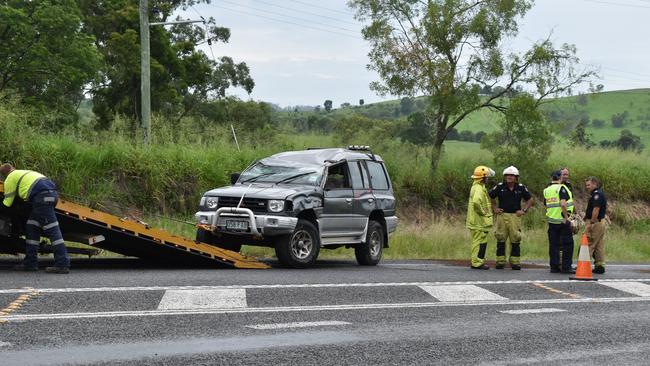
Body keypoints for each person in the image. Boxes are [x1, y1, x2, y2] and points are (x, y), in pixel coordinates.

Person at [0, 163, 70, 273]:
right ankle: (30, 263)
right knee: (31, 228)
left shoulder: (10, 178)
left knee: (53, 231)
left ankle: (62, 264)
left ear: (4, 175)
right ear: (13, 167)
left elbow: (7, 204)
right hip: (51, 195)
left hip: (41, 198)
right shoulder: (25, 172)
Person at [489, 166, 533, 270]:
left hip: (515, 216)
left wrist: (524, 210)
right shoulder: (500, 187)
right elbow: (490, 196)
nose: (509, 177)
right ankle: (500, 262)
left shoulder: (521, 188)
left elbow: (530, 199)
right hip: (502, 216)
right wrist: (494, 208)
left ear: (516, 177)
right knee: (500, 238)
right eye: (507, 175)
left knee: (516, 238)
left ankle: (515, 262)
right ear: (504, 177)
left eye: (512, 175)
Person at [543, 170, 575, 274]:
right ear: (559, 177)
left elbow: (546, 204)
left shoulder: (547, 190)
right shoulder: (562, 188)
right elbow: (562, 204)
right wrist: (567, 217)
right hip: (563, 221)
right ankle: (566, 267)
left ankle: (554, 266)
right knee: (567, 244)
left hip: (552, 221)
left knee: (554, 245)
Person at [466, 165, 495, 270]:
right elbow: (476, 202)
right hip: (478, 222)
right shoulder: (478, 188)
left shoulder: (478, 187)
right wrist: (483, 212)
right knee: (478, 242)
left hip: (479, 222)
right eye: (487, 177)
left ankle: (478, 261)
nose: (488, 179)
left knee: (481, 241)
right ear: (482, 178)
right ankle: (476, 263)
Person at [584, 176, 607, 274]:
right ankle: (600, 266)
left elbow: (596, 209)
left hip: (595, 222)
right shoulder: (599, 194)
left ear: (595, 184)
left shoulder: (597, 195)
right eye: (586, 185)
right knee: (598, 245)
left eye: (589, 185)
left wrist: (591, 223)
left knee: (588, 243)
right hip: (600, 222)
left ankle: (584, 266)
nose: (587, 187)